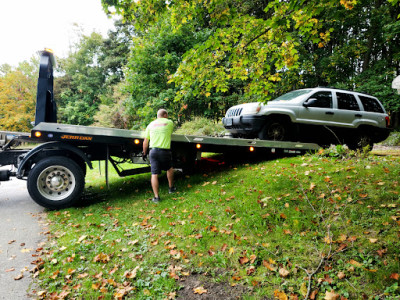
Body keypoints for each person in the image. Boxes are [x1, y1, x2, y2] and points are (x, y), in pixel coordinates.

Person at [142, 109, 176, 203]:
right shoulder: (169, 122)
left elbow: (145, 141)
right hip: (165, 151)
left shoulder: (150, 125)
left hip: (153, 151)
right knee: (169, 169)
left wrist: (144, 153)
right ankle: (171, 188)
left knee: (154, 174)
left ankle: (156, 197)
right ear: (165, 115)